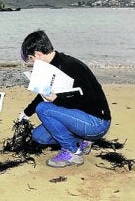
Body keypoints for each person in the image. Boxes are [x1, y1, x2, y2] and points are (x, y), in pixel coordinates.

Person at [18, 30, 111, 168]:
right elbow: (43, 94)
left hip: (97, 122)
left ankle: (72, 153)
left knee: (43, 109)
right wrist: (27, 112)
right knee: (39, 137)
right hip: (79, 118)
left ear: (38, 54)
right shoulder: (50, 67)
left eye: (30, 59)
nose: (31, 63)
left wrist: (57, 100)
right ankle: (82, 140)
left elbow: (88, 100)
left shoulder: (71, 66)